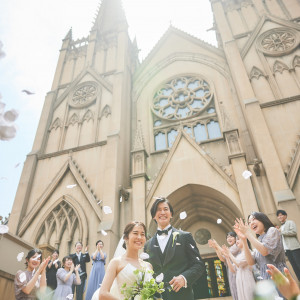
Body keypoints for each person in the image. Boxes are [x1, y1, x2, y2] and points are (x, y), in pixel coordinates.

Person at [144, 197, 205, 300]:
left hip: (182, 296)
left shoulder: (185, 237)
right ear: (154, 216)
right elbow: (146, 272)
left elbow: (198, 265)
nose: (162, 212)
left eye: (166, 209)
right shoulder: (147, 245)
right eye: (158, 209)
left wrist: (184, 278)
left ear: (171, 214)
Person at [97, 221, 153, 299]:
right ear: (126, 237)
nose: (139, 237)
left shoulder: (148, 266)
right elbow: (103, 294)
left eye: (142, 234)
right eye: (135, 233)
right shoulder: (116, 263)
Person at [222, 235, 256, 300]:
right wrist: (227, 257)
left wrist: (229, 254)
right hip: (239, 279)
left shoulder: (248, 252)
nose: (237, 242)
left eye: (238, 239)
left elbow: (238, 263)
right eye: (236, 240)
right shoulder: (239, 255)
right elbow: (232, 270)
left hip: (246, 278)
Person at [208, 232, 240, 300]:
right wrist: (215, 248)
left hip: (238, 271)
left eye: (231, 237)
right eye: (227, 237)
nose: (229, 238)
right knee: (234, 290)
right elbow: (222, 259)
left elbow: (225, 253)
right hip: (231, 272)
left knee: (239, 290)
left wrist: (217, 245)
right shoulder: (229, 248)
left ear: (236, 238)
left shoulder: (237, 246)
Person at [276, 209, 300, 281]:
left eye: (281, 215)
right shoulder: (280, 227)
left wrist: (281, 231)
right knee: (294, 267)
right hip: (287, 250)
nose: (279, 217)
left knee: (299, 264)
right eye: (278, 216)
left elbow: (293, 232)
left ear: (285, 216)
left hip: (294, 248)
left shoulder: (290, 222)